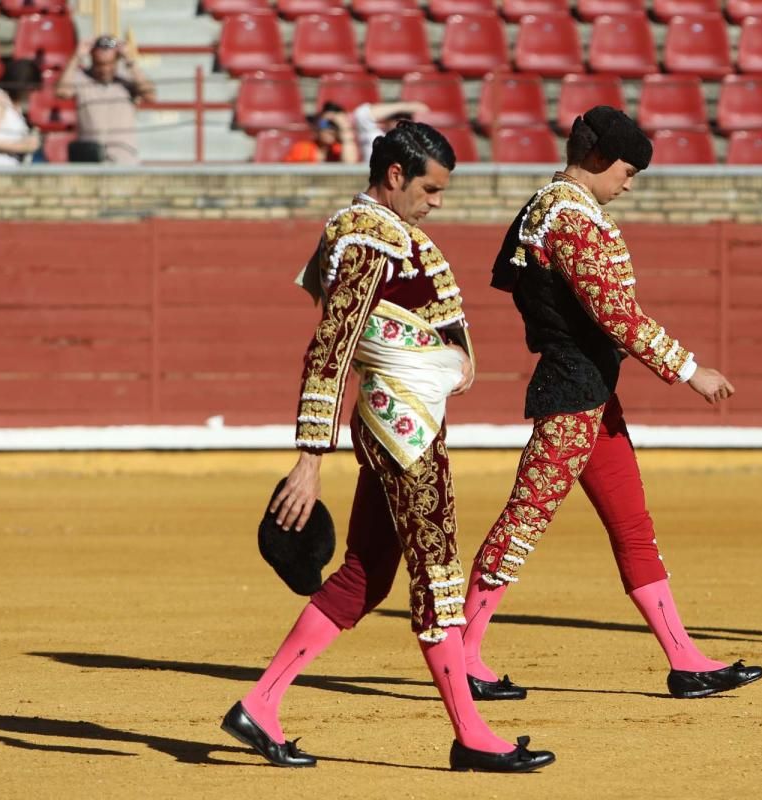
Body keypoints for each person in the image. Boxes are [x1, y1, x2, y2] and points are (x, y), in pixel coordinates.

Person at [220, 122, 555, 773]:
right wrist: (308, 459)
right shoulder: (370, 236)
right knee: (437, 574)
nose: (437, 201)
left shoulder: (372, 231)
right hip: (402, 430)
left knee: (366, 574)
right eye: (430, 188)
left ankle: (260, 705)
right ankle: (472, 734)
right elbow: (332, 345)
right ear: (395, 175)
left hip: (397, 418)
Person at [459, 106, 762, 703]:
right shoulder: (565, 217)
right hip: (573, 393)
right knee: (524, 520)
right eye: (627, 170)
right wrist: (689, 368)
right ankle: (462, 654)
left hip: (592, 390)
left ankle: (684, 659)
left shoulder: (553, 209)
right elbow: (614, 313)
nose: (630, 182)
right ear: (598, 160)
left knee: (631, 525)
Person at [55, 35, 155, 164]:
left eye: (109, 64)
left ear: (117, 61)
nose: (105, 69)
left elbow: (150, 96)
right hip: (91, 158)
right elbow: (62, 92)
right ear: (92, 60)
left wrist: (129, 60)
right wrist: (76, 57)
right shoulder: (82, 79)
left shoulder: (127, 80)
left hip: (124, 158)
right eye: (100, 65)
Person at [0, 59, 41, 168]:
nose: (32, 92)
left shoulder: (14, 106)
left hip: (7, 169)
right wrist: (22, 146)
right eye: (31, 88)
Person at [351, 100, 429, 163]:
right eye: (397, 117)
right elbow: (361, 114)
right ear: (386, 121)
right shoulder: (375, 133)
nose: (403, 121)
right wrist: (402, 106)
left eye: (407, 117)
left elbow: (424, 109)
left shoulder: (414, 139)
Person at [284, 102, 358, 164]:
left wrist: (344, 129)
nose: (331, 130)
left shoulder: (341, 150)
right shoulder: (302, 149)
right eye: (327, 124)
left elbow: (350, 168)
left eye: (335, 125)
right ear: (317, 124)